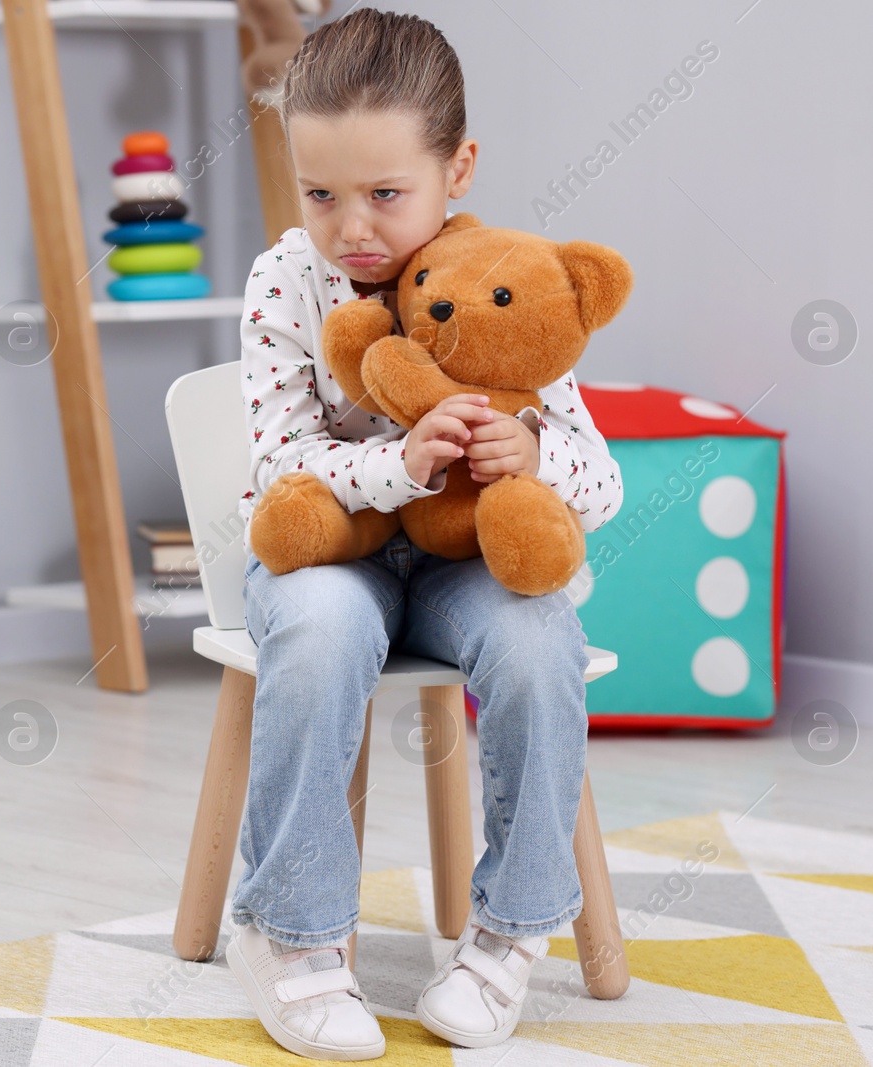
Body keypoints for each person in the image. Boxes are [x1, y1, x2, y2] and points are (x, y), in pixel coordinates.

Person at [222, 8, 625, 1060]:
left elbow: (603, 480)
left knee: (540, 640)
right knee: (315, 632)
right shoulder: (286, 282)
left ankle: (507, 932)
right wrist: (398, 463)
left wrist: (533, 461)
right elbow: (279, 463)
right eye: (321, 193)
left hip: (453, 562)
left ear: (458, 169)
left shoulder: (502, 280)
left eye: (385, 194)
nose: (351, 227)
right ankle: (292, 937)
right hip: (327, 549)